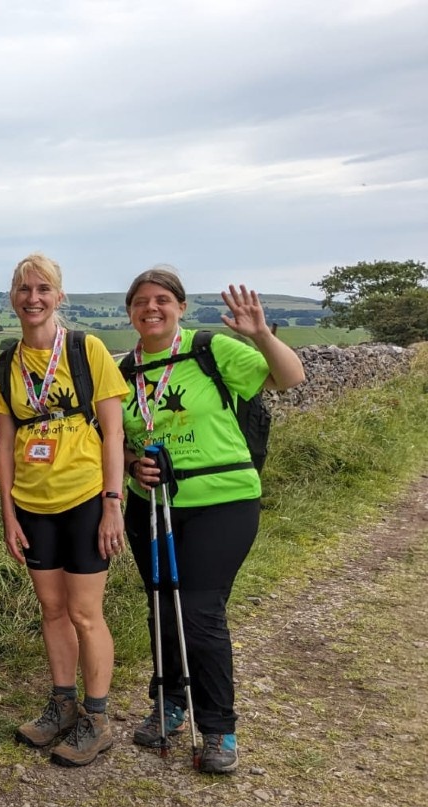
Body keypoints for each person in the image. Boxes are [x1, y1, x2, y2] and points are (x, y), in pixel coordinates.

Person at [120, 268, 305, 774]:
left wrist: (261, 335)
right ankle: (170, 704)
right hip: (152, 504)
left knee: (199, 612)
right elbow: (119, 442)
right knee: (162, 605)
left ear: (179, 307)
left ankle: (219, 727)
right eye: (140, 301)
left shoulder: (211, 350)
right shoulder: (124, 372)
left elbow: (291, 378)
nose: (150, 309)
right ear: (130, 311)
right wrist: (134, 465)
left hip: (222, 500)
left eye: (161, 300)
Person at [0, 254, 129, 767]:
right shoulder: (4, 363)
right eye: (24, 289)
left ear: (59, 296)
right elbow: (5, 444)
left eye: (43, 289)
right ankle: (63, 704)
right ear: (13, 297)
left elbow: (113, 432)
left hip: (85, 499)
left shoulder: (85, 348)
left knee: (85, 613)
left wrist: (112, 502)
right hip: (32, 504)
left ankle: (97, 718)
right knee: (52, 610)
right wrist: (7, 513)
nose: (33, 298)